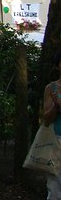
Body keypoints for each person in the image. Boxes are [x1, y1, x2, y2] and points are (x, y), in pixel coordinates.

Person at [43, 51, 61, 199]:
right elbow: (46, 119)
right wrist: (56, 106)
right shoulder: (51, 88)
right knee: (54, 187)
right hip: (56, 140)